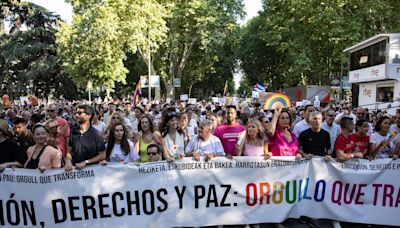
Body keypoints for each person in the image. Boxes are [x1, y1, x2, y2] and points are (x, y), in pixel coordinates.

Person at [65, 105, 106, 171]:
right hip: (75, 173)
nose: (76, 115)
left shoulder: (96, 134)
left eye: (80, 113)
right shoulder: (73, 131)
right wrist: (68, 161)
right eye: (76, 113)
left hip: (92, 173)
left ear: (88, 115)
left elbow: (103, 155)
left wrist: (86, 162)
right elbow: (69, 152)